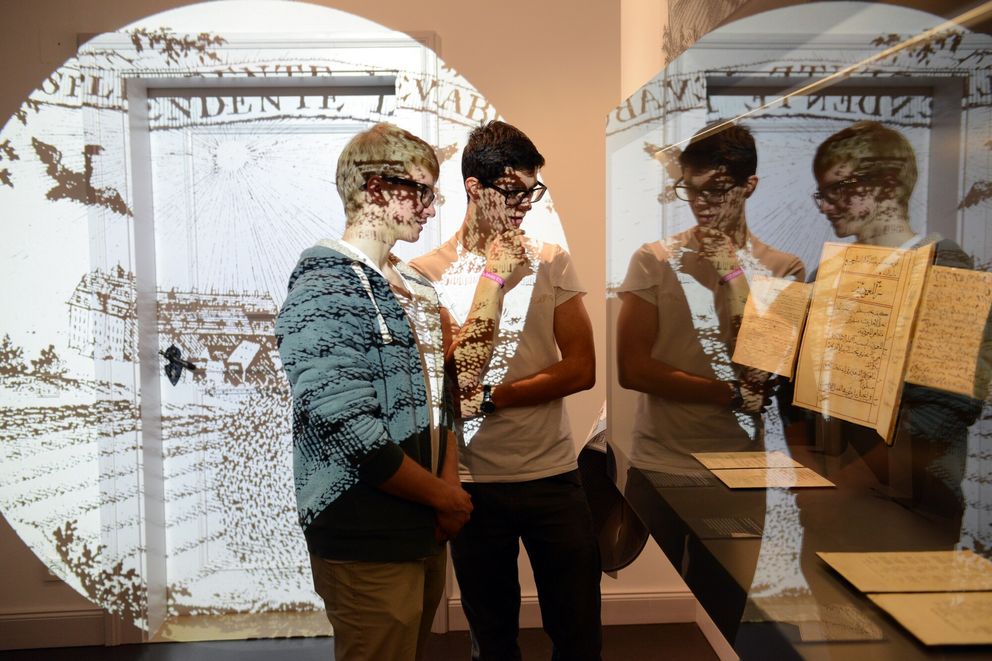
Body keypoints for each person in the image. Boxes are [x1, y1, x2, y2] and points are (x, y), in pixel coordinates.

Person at [275, 122, 472, 661]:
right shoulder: (323, 284)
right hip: (364, 529)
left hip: (424, 523)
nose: (431, 209)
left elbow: (443, 399)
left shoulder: (420, 286)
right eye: (423, 191)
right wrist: (444, 497)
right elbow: (345, 426)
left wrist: (448, 493)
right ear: (376, 189)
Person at [411, 120, 601, 661]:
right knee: (493, 640)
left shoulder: (549, 259)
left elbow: (582, 368)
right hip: (474, 480)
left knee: (580, 633)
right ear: (474, 187)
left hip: (553, 474)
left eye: (532, 191)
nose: (524, 204)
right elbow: (452, 380)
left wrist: (496, 398)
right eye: (513, 191)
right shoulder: (427, 273)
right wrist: (494, 279)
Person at [810, 120, 985, 524]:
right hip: (831, 503)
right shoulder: (827, 274)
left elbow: (942, 410)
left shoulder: (948, 265)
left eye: (838, 189)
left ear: (887, 184)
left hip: (910, 509)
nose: (823, 205)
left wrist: (842, 487)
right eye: (822, 192)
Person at [616, 121, 805, 476]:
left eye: (716, 190)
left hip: (742, 459)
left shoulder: (785, 267)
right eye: (691, 189)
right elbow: (633, 370)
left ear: (749, 186)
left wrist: (733, 277)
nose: (701, 204)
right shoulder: (654, 259)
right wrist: (733, 395)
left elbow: (761, 372)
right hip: (661, 457)